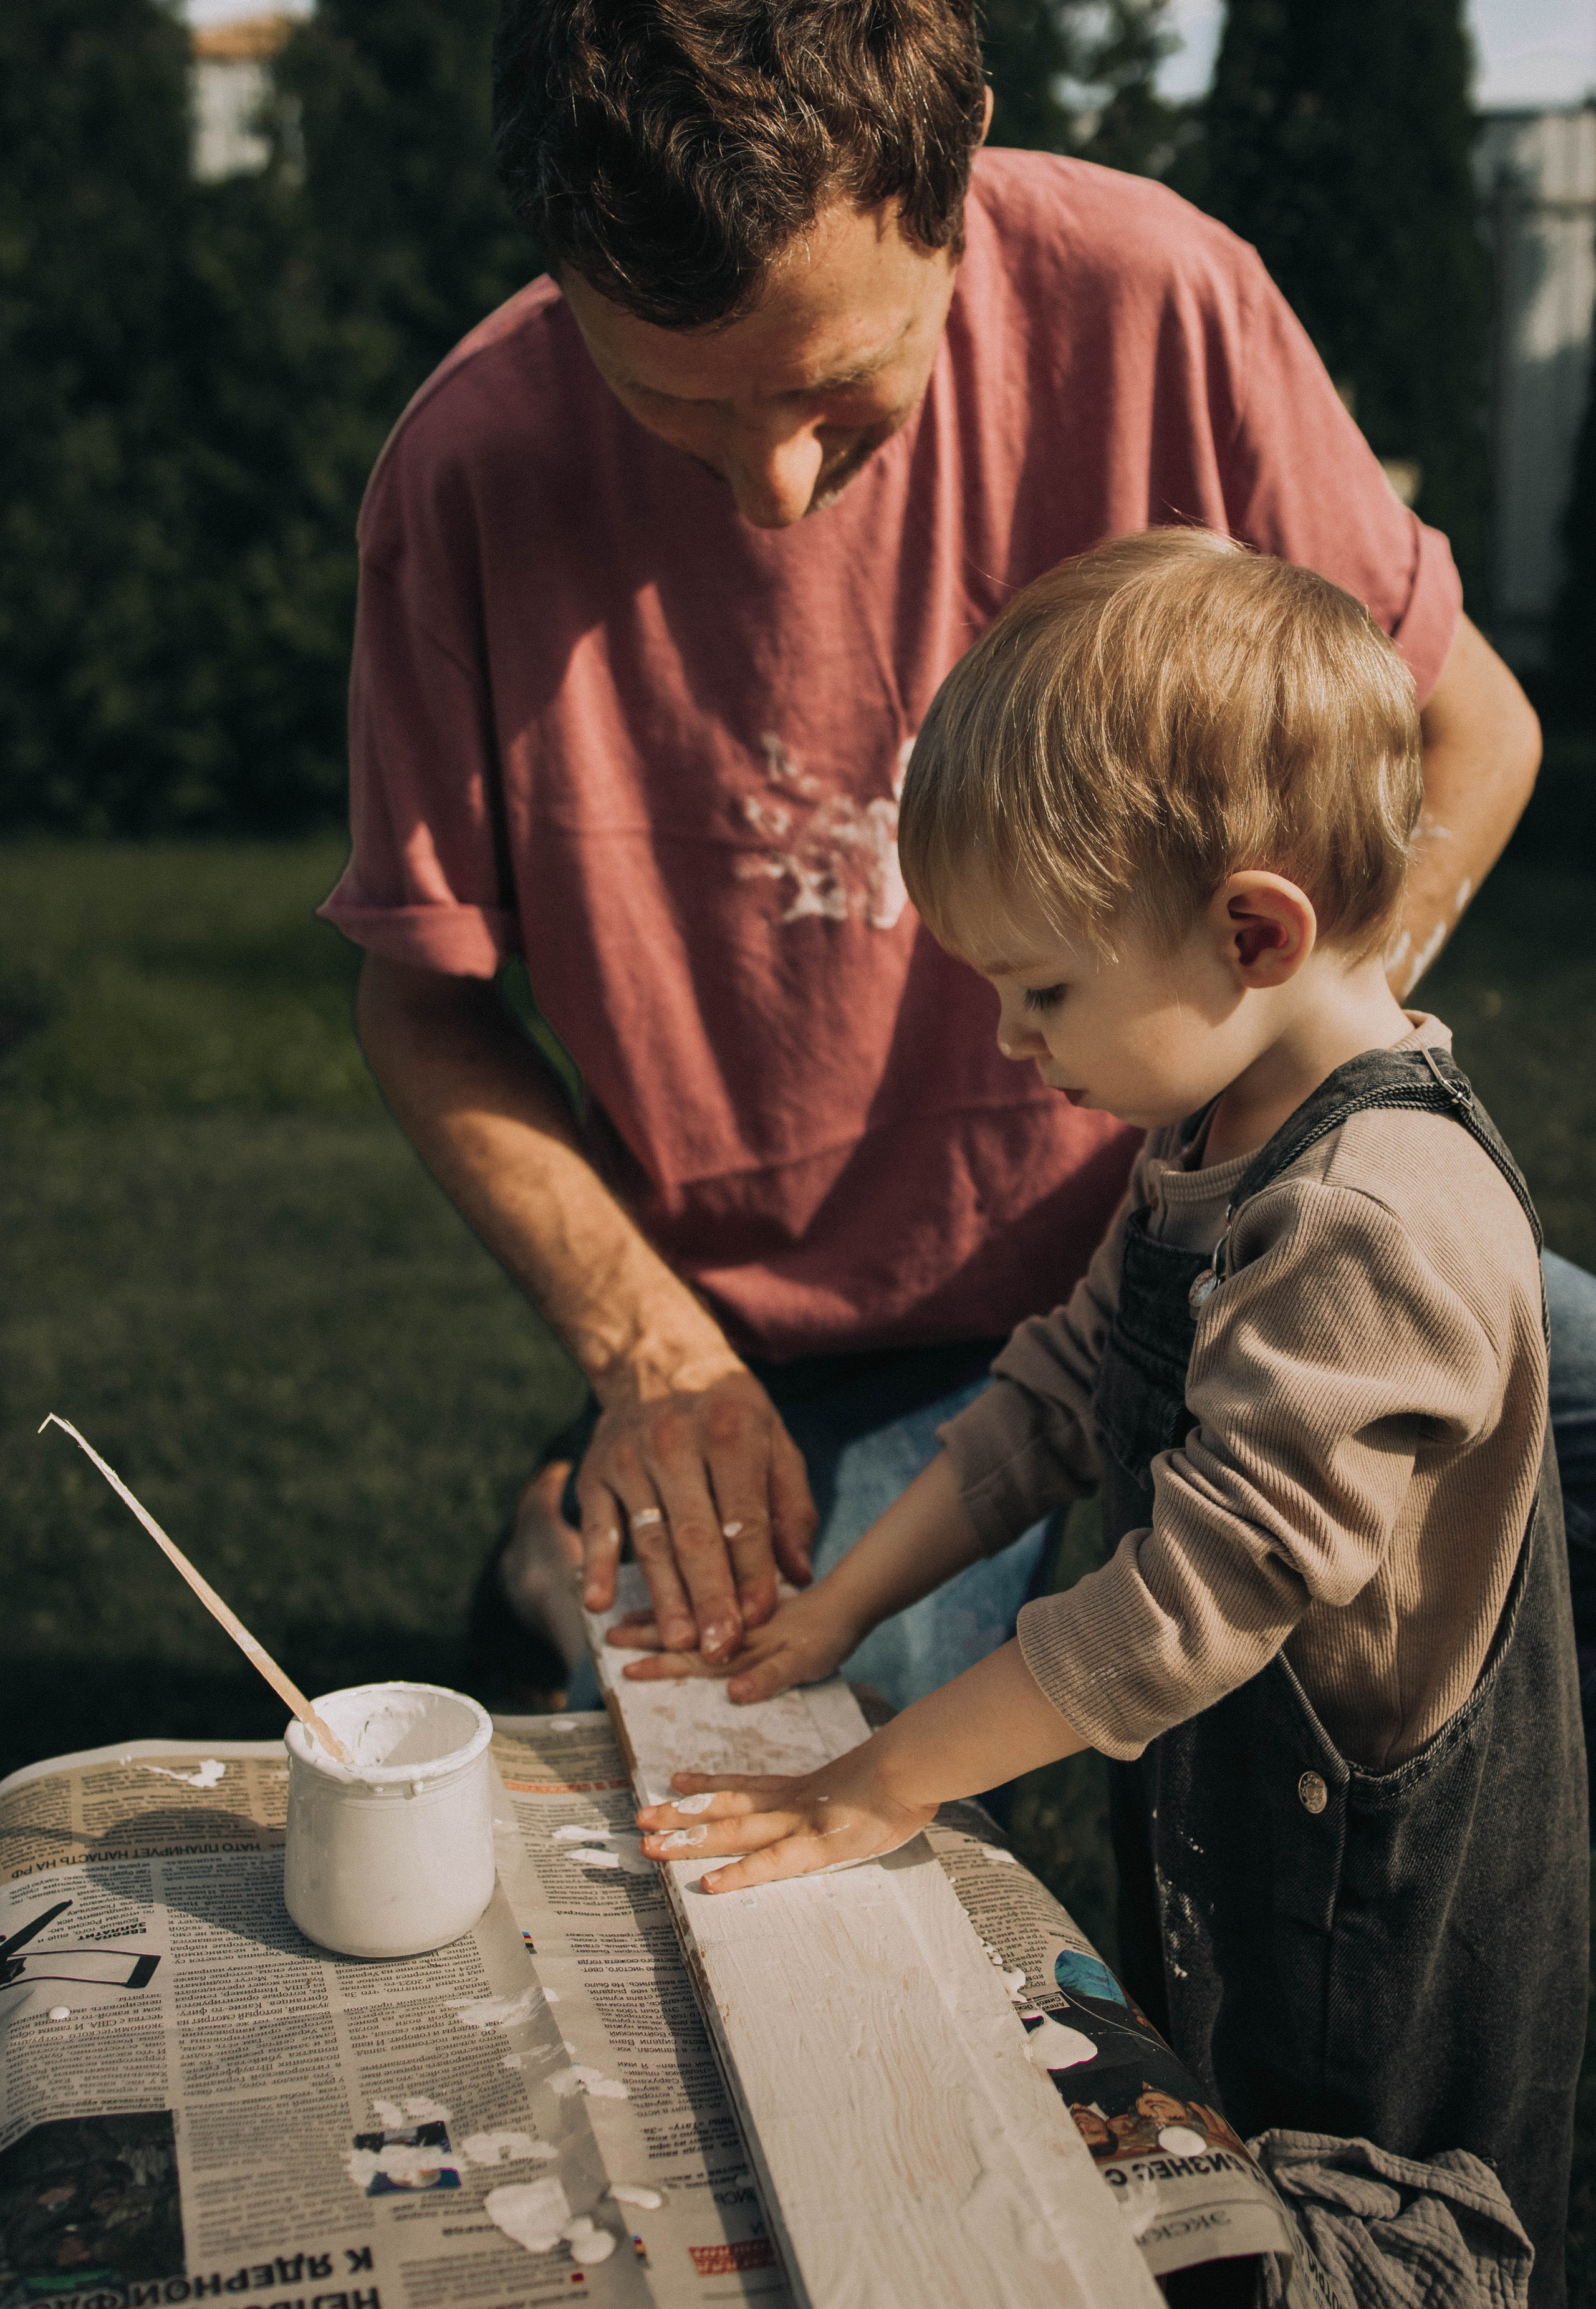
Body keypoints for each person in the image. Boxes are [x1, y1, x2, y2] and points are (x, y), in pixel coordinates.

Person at [320, 0, 1595, 1731]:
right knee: (808, 1705)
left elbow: (1479, 733)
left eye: (840, 399)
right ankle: (573, 1544)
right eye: (674, 411)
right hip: (835, 1330)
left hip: (1229, 1224)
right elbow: (425, 1008)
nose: (771, 496)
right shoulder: (463, 469)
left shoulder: (1164, 300)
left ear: (958, 175)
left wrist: (1301, 1084)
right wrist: (659, 1356)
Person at [630, 532, 1588, 2309]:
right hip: (1243, 1843)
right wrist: (839, 1609)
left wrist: (876, 1787)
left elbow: (1184, 1611)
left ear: (1253, 932)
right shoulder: (1218, 1124)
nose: (1012, 1040)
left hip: (1381, 1928)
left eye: (1045, 992)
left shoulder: (1379, 1213)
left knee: (1376, 2306)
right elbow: (1058, 1397)